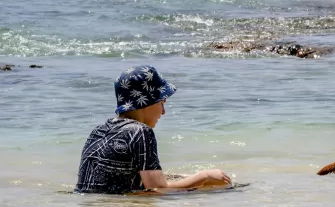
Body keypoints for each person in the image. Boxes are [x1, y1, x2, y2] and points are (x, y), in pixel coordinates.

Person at [75, 65, 231, 194]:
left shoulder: (98, 131)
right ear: (147, 102)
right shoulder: (140, 132)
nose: (163, 112)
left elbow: (126, 176)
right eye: (162, 102)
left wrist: (184, 176)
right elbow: (157, 188)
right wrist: (204, 176)